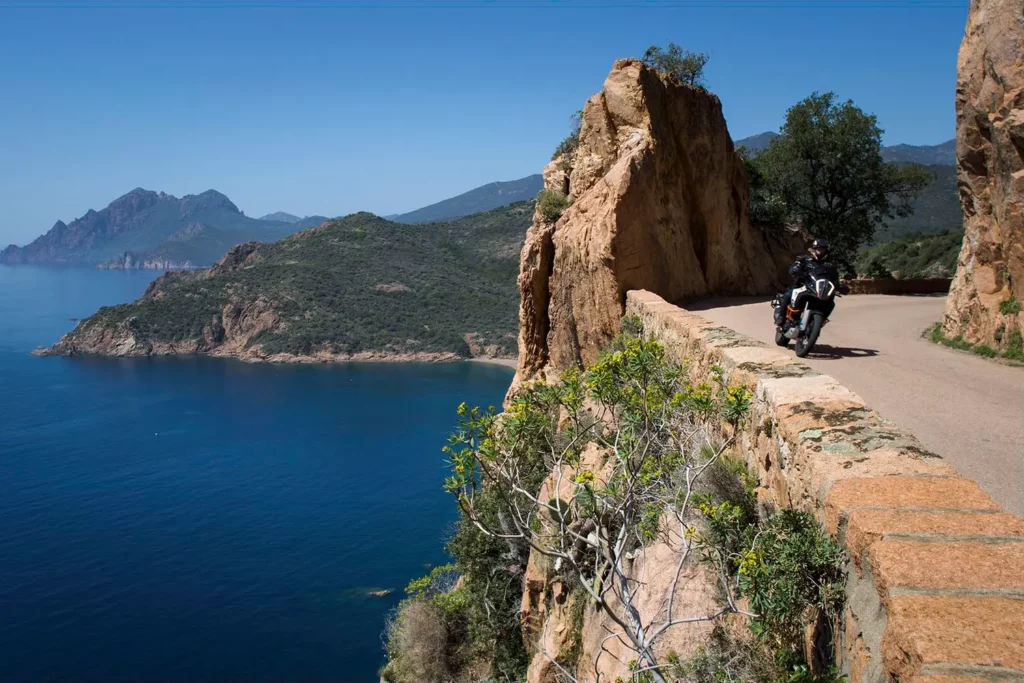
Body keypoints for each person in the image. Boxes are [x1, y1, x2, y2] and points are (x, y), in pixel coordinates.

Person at [774, 238, 840, 327]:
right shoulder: (805, 259)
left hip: (817, 288)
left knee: (831, 302)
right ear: (814, 249)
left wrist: (839, 285)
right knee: (789, 293)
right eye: (819, 249)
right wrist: (796, 269)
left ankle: (821, 320)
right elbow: (795, 267)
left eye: (823, 249)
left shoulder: (829, 266)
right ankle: (781, 316)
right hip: (803, 284)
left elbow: (834, 278)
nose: (821, 251)